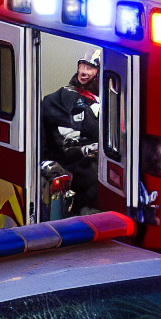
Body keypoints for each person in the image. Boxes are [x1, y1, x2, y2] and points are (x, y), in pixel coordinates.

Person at [40, 49, 103, 214]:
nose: (83, 72)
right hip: (72, 165)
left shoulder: (101, 98)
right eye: (82, 66)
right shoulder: (68, 95)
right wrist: (87, 147)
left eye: (89, 68)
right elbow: (71, 137)